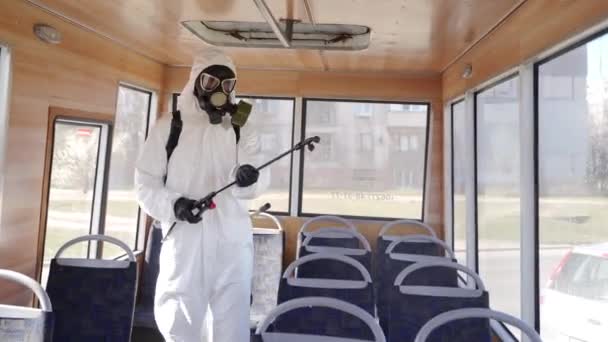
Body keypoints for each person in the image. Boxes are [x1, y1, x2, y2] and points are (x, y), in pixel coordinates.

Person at [135, 48, 269, 342]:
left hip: (232, 244)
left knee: (231, 326)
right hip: (186, 242)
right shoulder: (169, 126)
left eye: (227, 85)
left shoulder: (241, 127)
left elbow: (259, 181)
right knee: (180, 324)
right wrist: (176, 205)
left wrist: (248, 178)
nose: (219, 92)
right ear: (195, 81)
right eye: (210, 82)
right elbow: (145, 184)